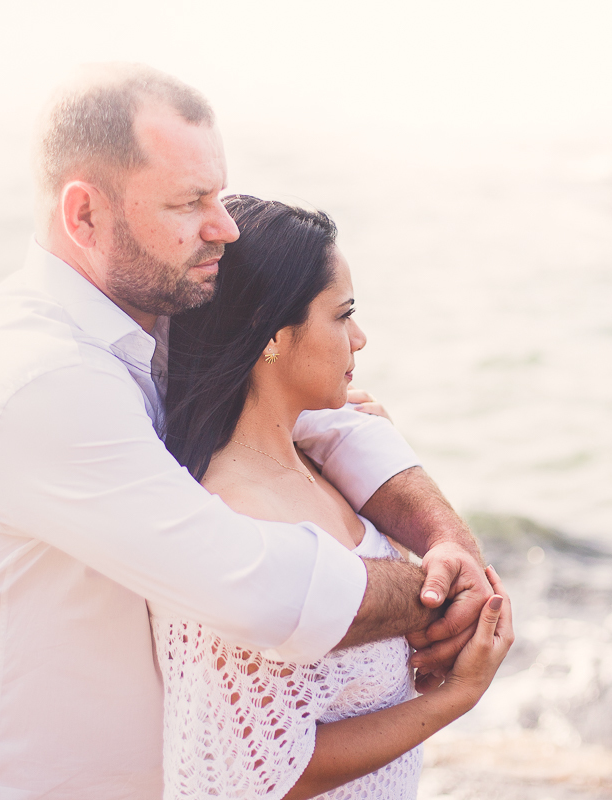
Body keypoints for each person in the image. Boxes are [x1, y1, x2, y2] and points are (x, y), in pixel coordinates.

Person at [0, 63, 492, 800]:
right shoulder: (40, 380)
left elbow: (329, 418)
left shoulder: (160, 307)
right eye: (189, 202)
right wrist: (438, 596)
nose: (224, 227)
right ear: (84, 215)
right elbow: (252, 588)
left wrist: (449, 544)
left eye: (218, 193)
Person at [154, 196, 514, 799]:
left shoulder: (313, 459)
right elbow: (263, 772)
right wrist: (458, 696)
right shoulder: (237, 522)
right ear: (271, 335)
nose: (360, 338)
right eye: (342, 315)